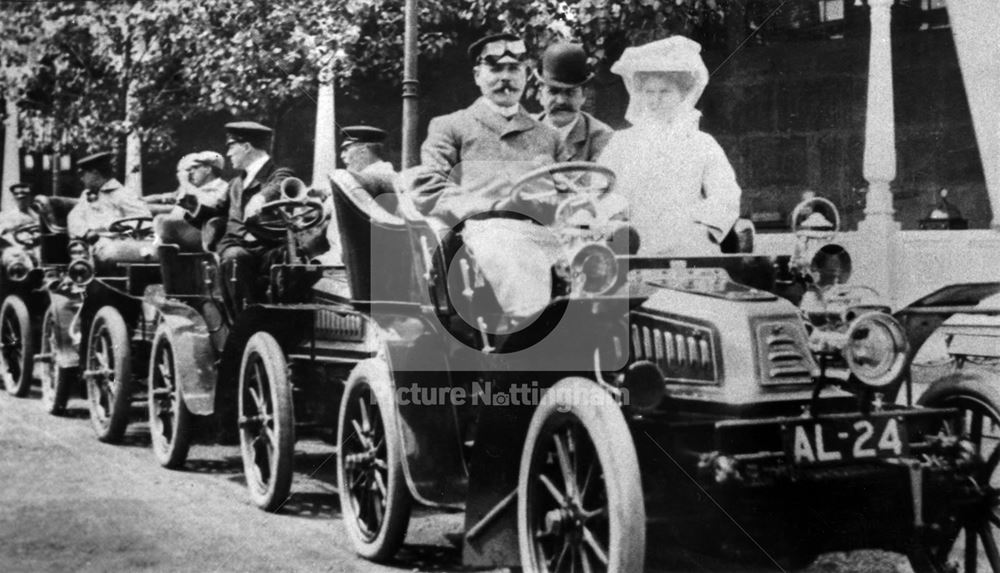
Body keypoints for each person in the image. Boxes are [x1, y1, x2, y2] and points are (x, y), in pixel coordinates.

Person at [410, 32, 565, 323]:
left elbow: (572, 190)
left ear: (526, 75)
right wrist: (490, 207)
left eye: (514, 68)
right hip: (482, 233)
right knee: (510, 248)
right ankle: (531, 331)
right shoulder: (451, 126)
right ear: (478, 75)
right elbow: (430, 187)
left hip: (547, 232)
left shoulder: (549, 136)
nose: (505, 78)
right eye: (495, 69)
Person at [599, 36, 741, 255]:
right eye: (649, 92)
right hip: (635, 246)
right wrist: (615, 218)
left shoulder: (702, 144)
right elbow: (600, 190)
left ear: (682, 94)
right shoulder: (621, 142)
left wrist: (705, 228)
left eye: (665, 92)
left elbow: (725, 194)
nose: (655, 101)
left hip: (688, 245)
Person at [216, 121, 295, 308]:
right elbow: (216, 210)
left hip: (266, 248)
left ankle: (248, 321)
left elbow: (282, 182)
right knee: (234, 256)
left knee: (236, 257)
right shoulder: (236, 182)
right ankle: (242, 320)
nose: (228, 154)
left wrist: (261, 197)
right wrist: (191, 204)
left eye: (231, 148)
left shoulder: (277, 173)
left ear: (246, 147)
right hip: (236, 246)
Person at [534, 42, 613, 162]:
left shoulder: (601, 138)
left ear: (584, 96)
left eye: (570, 93)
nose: (561, 101)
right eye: (553, 92)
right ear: (540, 94)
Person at [67, 151, 151, 240]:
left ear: (95, 173)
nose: (82, 179)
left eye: (83, 174)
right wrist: (86, 232)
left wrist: (122, 226)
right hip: (90, 242)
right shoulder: (86, 195)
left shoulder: (122, 193)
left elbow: (144, 218)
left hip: (117, 244)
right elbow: (74, 217)